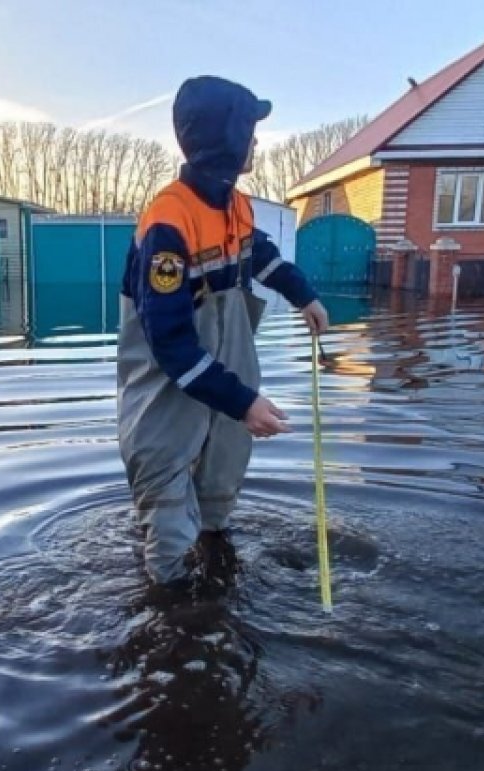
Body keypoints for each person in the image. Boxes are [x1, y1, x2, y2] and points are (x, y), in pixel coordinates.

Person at [117, 75, 329, 588]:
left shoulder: (234, 205)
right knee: (167, 523)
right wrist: (243, 402)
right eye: (250, 129)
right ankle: (166, 627)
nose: (257, 140)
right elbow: (170, 344)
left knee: (217, 489)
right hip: (167, 391)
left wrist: (304, 295)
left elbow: (259, 254)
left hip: (219, 379)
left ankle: (213, 577)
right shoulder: (168, 223)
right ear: (226, 135)